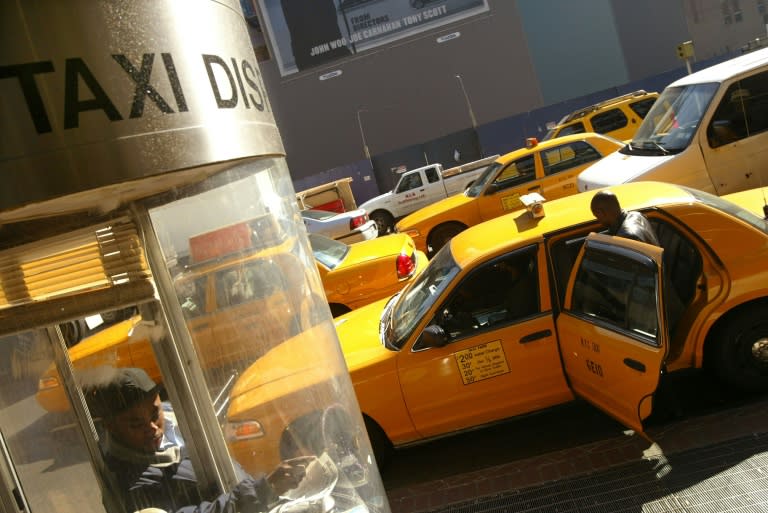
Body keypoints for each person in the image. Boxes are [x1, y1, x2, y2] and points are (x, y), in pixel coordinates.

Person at [82, 367, 304, 513]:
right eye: (136, 424)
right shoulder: (132, 487)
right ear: (111, 426)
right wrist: (262, 491)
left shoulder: (176, 417)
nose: (152, 428)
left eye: (154, 414)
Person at [590, 189, 660, 246]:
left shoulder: (625, 237)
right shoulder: (637, 215)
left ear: (601, 212)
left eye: (597, 216)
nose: (599, 221)